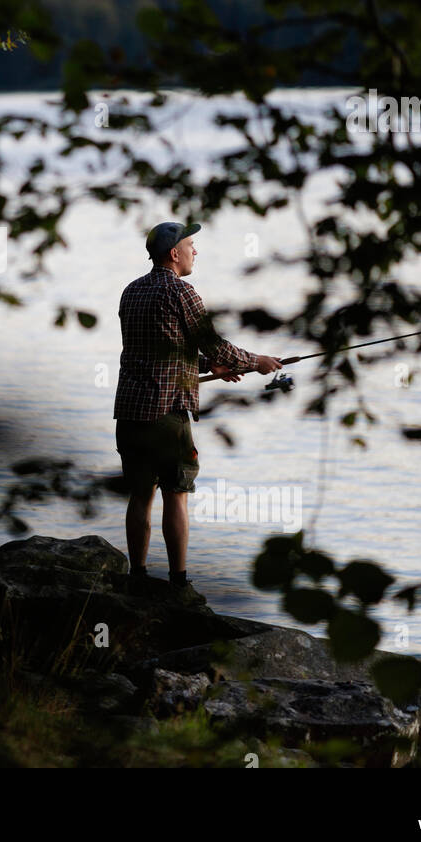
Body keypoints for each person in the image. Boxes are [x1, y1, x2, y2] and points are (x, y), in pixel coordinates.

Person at [113, 221, 282, 604]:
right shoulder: (182, 291)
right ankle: (178, 584)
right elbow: (214, 343)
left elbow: (164, 347)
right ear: (174, 253)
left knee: (140, 495)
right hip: (168, 413)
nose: (195, 251)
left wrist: (207, 367)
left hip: (129, 411)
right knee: (176, 492)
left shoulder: (131, 292)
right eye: (190, 245)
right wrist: (257, 361)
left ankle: (135, 577)